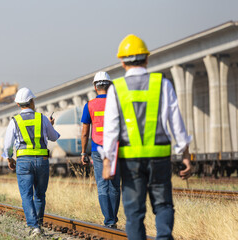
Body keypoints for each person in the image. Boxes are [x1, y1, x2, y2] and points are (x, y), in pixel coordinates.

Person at [101, 34, 192, 240]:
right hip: (159, 157)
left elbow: (111, 129)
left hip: (130, 160)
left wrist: (107, 160)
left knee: (134, 213)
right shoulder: (163, 84)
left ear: (122, 62)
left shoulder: (116, 89)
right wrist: (184, 153)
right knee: (163, 205)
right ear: (147, 59)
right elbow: (176, 121)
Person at [2, 87, 60, 237]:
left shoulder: (14, 121)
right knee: (40, 194)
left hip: (23, 162)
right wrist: (50, 126)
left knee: (27, 195)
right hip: (42, 160)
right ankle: (38, 224)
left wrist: (9, 158)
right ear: (32, 101)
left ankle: (34, 227)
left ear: (18, 104)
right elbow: (53, 137)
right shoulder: (42, 119)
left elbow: (8, 145)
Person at [80, 71, 120, 228]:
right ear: (110, 86)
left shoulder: (89, 105)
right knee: (115, 185)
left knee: (102, 186)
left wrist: (84, 152)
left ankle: (109, 221)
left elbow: (85, 132)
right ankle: (113, 219)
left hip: (98, 150)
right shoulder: (117, 103)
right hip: (115, 149)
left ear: (95, 87)